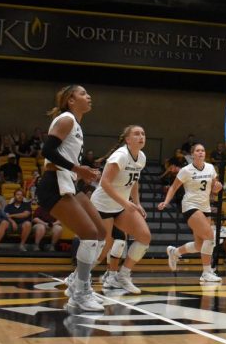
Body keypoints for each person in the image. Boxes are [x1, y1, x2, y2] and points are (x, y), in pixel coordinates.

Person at [35, 84, 105, 312]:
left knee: (101, 232)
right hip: (54, 184)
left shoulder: (76, 123)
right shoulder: (66, 119)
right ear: (71, 100)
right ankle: (80, 292)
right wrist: (78, 168)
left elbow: (65, 157)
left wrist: (83, 172)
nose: (89, 95)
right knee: (89, 234)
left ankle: (77, 280)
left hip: (68, 183)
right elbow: (47, 151)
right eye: (83, 93)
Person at [91, 125, 151, 296]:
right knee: (104, 247)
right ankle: (78, 276)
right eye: (137, 134)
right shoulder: (120, 156)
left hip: (120, 205)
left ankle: (122, 276)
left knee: (144, 236)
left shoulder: (142, 157)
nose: (141, 136)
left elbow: (134, 181)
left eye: (143, 133)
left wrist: (137, 203)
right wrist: (126, 202)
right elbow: (104, 183)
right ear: (127, 139)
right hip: (102, 204)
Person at [158, 143, 221, 284]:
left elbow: (214, 189)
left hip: (206, 207)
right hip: (190, 206)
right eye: (198, 151)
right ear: (192, 154)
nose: (201, 153)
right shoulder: (186, 170)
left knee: (200, 245)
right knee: (210, 236)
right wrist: (166, 201)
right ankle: (206, 272)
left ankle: (175, 252)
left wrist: (218, 187)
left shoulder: (210, 168)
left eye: (203, 150)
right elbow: (173, 188)